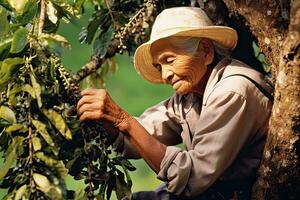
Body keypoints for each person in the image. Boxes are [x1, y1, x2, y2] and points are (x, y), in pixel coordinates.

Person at [77, 7, 273, 200]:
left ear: (205, 51)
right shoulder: (191, 96)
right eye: (159, 67)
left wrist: (122, 120)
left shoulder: (232, 90)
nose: (165, 75)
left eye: (169, 60)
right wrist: (106, 121)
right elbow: (144, 131)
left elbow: (193, 178)